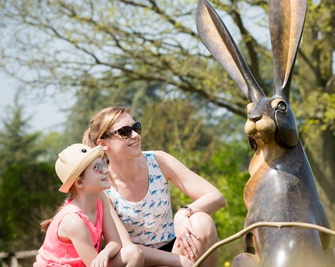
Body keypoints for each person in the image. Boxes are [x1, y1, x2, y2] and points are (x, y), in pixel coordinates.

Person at [82, 107, 226, 267]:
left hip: (176, 250)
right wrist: (180, 261)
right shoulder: (103, 187)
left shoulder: (158, 161)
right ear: (103, 144)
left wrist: (183, 213)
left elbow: (216, 196)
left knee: (201, 221)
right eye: (125, 131)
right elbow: (127, 248)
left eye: (136, 128)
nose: (136, 135)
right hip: (143, 261)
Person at [34, 143, 144, 267]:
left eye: (104, 163)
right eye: (97, 167)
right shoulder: (73, 221)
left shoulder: (101, 198)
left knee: (133, 253)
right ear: (80, 182)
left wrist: (105, 253)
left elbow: (115, 241)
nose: (106, 170)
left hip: (90, 264)